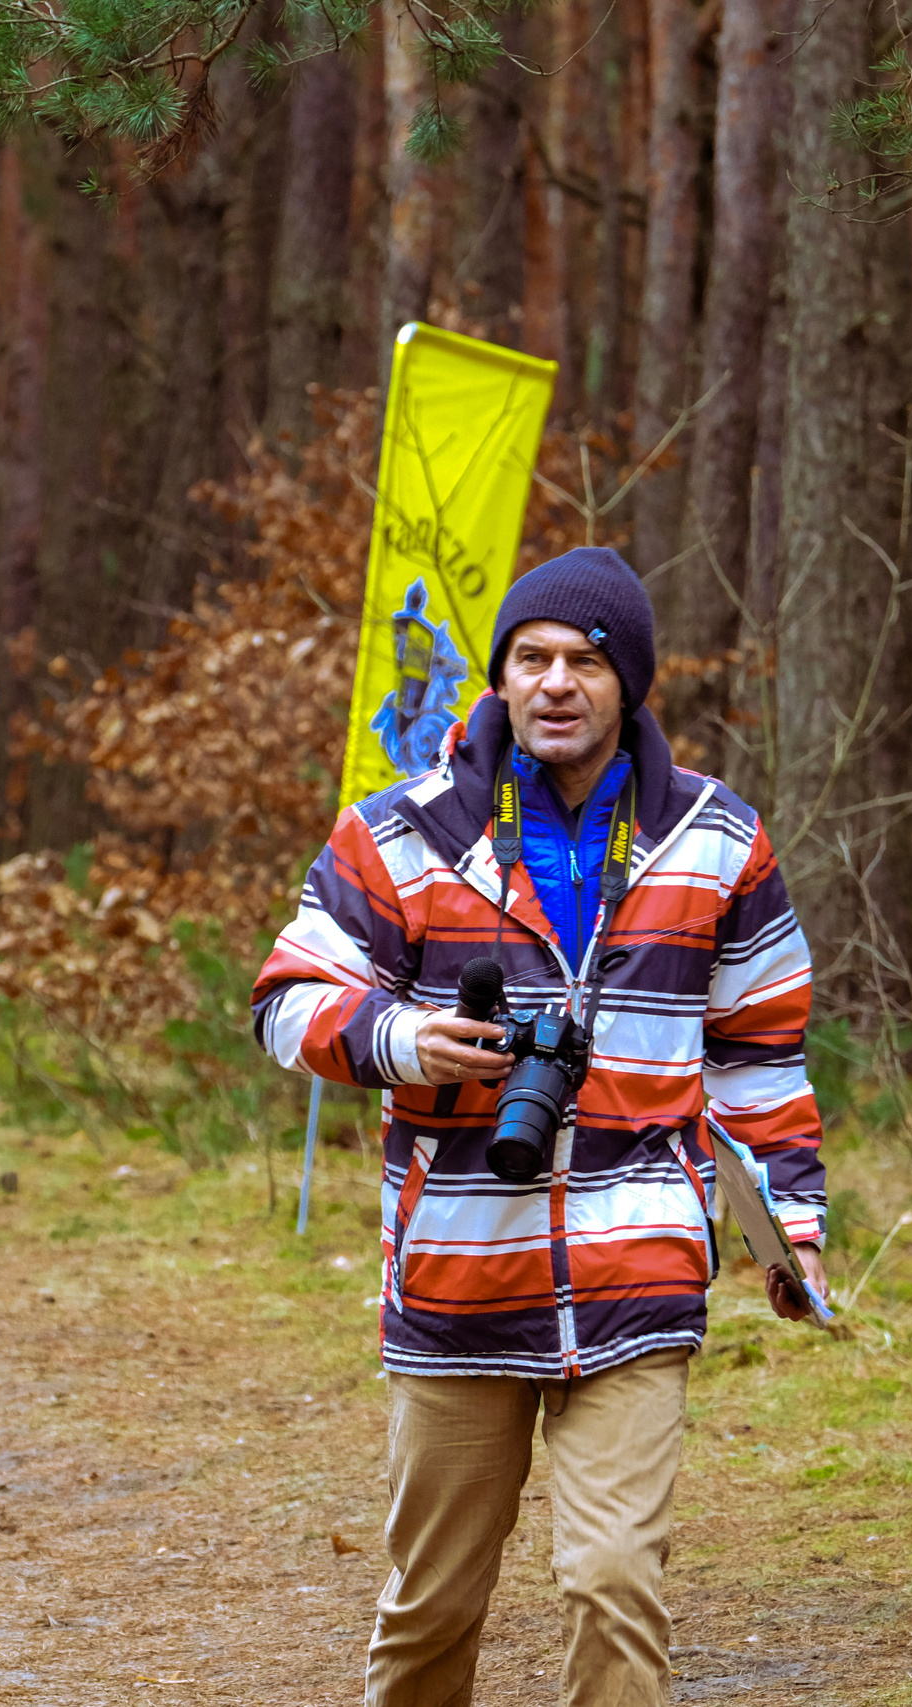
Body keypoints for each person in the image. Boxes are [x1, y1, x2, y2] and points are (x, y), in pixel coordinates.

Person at [251, 546, 827, 1707]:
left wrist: (793, 1226)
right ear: (501, 679)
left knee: (618, 1582)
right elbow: (285, 999)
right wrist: (400, 1039)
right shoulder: (398, 837)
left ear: (630, 684)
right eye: (532, 659)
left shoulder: (718, 841)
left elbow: (760, 1053)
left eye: (584, 661)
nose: (556, 683)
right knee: (433, 1609)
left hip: (638, 1273)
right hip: (459, 1277)